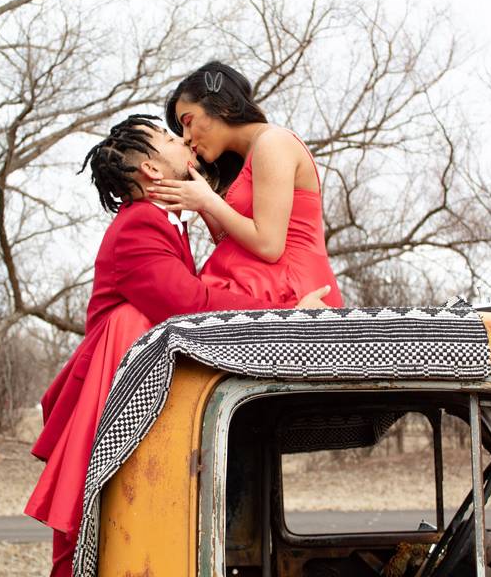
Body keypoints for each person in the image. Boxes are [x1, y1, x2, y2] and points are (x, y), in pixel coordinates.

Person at [24, 114, 330, 577]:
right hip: (109, 388)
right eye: (168, 136)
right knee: (93, 535)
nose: (182, 139)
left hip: (132, 384)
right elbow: (193, 303)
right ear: (151, 170)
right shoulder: (139, 226)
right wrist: (284, 315)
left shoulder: (163, 223)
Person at [149, 61, 343, 307]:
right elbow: (238, 240)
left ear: (220, 105)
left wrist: (208, 200)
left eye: (188, 121)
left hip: (294, 291)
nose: (186, 138)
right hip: (268, 286)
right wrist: (202, 203)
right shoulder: (250, 156)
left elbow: (269, 245)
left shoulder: (273, 143)